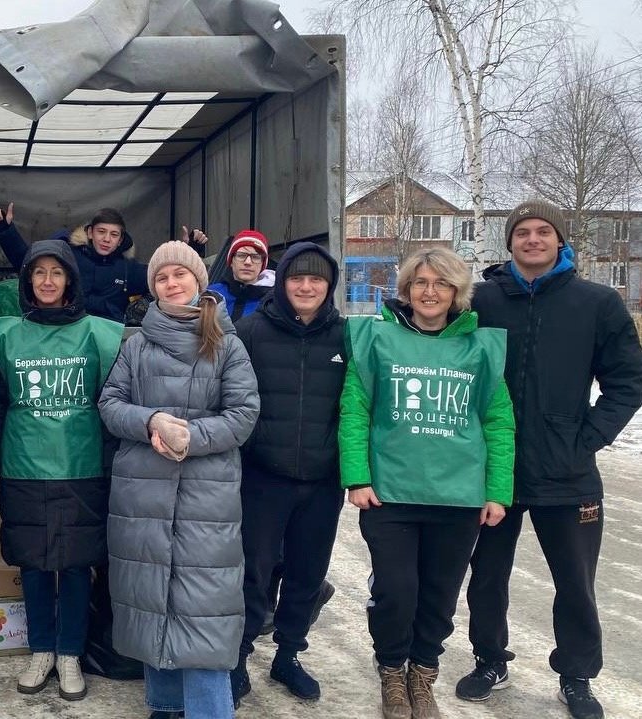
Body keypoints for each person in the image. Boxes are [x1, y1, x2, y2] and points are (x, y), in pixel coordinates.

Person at [454, 200, 642, 719]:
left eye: (543, 231)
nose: (533, 239)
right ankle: (490, 660)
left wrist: (588, 437)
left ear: (560, 240)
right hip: (494, 468)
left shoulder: (596, 303)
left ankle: (576, 675)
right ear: (509, 241)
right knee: (487, 575)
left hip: (568, 469)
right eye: (522, 232)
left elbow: (628, 380)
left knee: (575, 581)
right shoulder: (481, 301)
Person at [340, 247, 515, 719]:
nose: (430, 291)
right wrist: (356, 476)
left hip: (458, 497)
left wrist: (497, 491)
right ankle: (391, 670)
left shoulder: (479, 347)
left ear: (457, 292)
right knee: (396, 591)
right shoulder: (377, 339)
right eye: (420, 282)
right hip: (389, 495)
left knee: (439, 596)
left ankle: (422, 673)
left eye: (441, 283)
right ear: (406, 290)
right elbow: (355, 411)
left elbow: (497, 422)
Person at [98, 241, 259, 719]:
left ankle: (210, 712)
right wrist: (150, 421)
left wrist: (192, 436)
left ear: (198, 280)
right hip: (143, 490)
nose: (172, 283)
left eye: (180, 274)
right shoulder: (136, 346)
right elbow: (110, 404)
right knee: (152, 602)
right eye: (162, 277)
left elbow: (244, 414)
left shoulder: (226, 344)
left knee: (203, 610)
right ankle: (166, 707)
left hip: (206, 496)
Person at [0, 239, 123, 701]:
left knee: (77, 564)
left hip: (82, 467)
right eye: (38, 272)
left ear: (70, 280)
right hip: (24, 467)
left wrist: (112, 469)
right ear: (26, 280)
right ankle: (42, 648)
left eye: (56, 272)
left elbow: (112, 410)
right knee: (35, 564)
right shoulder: (6, 338)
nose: (47, 281)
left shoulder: (101, 336)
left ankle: (70, 653)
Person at [230, 242, 346, 706]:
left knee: (307, 572)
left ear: (329, 285)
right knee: (252, 573)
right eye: (297, 277)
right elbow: (229, 397)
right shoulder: (249, 331)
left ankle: (289, 655)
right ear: (281, 282)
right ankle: (238, 657)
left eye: (316, 279)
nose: (306, 286)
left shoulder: (346, 337)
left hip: (321, 481)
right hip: (262, 478)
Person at [0, 202, 208, 322]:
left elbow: (166, 275)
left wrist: (191, 250)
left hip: (111, 341)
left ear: (121, 240)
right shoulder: (68, 255)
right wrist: (5, 230)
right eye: (101, 232)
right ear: (90, 232)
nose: (106, 239)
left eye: (114, 234)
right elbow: (28, 263)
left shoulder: (128, 269)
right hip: (68, 334)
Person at [207, 229, 275, 321]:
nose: (248, 262)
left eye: (255, 257)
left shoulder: (272, 302)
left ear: (263, 264)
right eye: (241, 255)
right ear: (231, 261)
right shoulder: (211, 295)